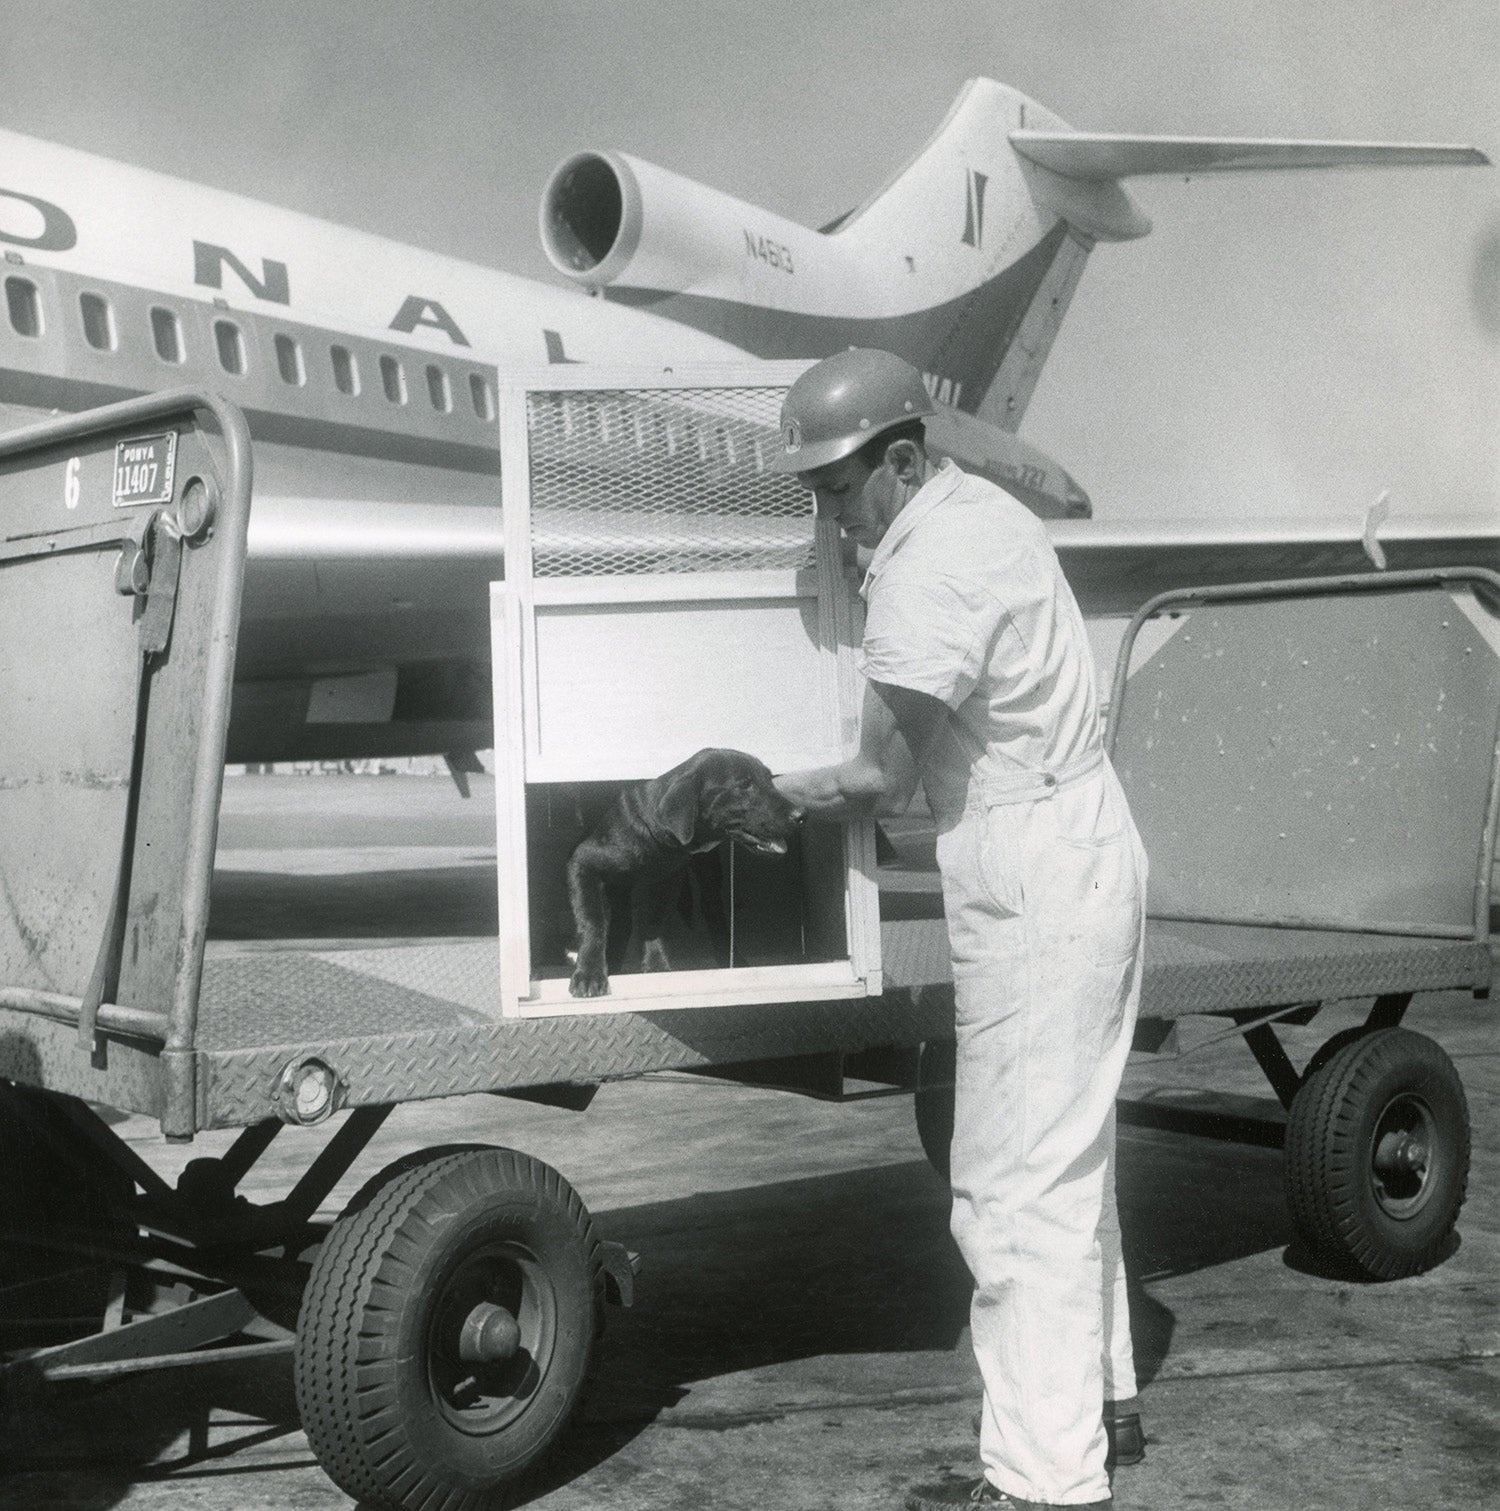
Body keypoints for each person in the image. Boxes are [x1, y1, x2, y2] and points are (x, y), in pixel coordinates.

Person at [768, 349, 1147, 1510]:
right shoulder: (978, 514)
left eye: (839, 492)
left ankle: (1042, 1482)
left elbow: (876, 779)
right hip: (1077, 840)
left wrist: (744, 788)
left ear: (900, 460)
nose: (830, 522)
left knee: (1010, 1187)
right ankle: (1100, 1405)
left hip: (1033, 870)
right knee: (1067, 1161)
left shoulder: (929, 570)